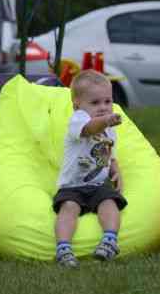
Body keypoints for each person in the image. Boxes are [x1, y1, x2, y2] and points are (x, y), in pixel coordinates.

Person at [53, 69, 128, 267]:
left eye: (107, 101)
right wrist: (105, 121)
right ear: (78, 103)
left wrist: (116, 171)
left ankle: (109, 241)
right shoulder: (78, 120)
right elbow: (88, 130)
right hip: (72, 186)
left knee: (110, 203)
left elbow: (109, 154)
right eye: (95, 103)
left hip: (97, 184)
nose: (103, 107)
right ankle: (63, 248)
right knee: (68, 208)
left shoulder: (110, 130)